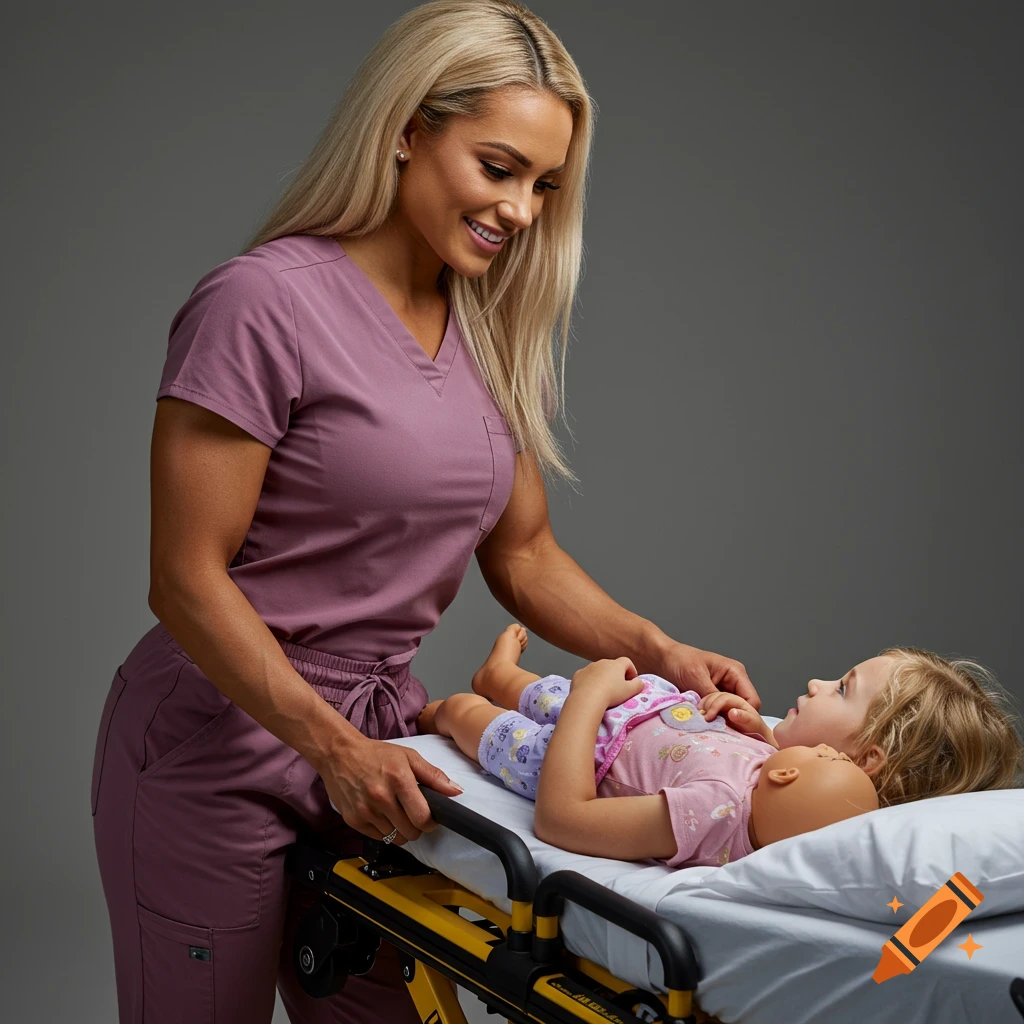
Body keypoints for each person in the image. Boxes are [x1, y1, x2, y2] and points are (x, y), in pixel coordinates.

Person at [90, 3, 761, 1022]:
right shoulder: (260, 303)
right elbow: (184, 578)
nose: (522, 210)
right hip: (216, 738)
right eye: (498, 168)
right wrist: (330, 749)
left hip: (383, 743)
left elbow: (523, 555)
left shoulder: (492, 333)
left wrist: (657, 649)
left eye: (544, 184)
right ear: (406, 129)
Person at [418, 625, 1024, 865]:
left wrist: (590, 696)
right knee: (528, 687)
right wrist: (760, 730)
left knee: (472, 716)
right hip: (632, 709)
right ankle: (501, 676)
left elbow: (563, 818)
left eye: (842, 689)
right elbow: (767, 764)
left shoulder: (725, 813)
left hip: (572, 751)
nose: (817, 684)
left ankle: (432, 712)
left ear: (864, 758)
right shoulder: (786, 775)